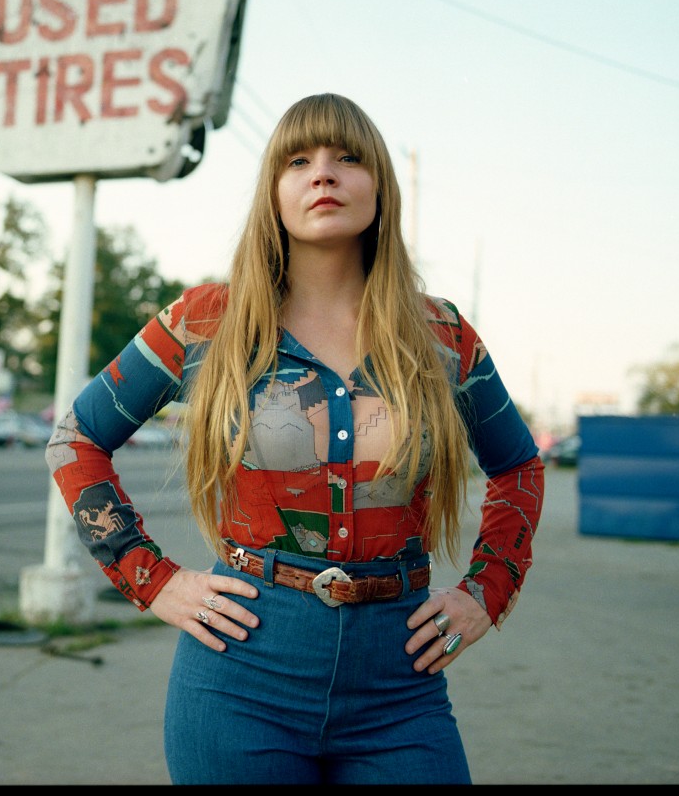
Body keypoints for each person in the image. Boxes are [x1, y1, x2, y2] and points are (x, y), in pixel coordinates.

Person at [46, 92, 544, 785]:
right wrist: (149, 579)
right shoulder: (204, 322)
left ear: (380, 187)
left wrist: (490, 590)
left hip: (400, 684)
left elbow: (519, 464)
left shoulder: (444, 337)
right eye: (299, 160)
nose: (324, 174)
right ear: (273, 191)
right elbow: (75, 439)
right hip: (241, 675)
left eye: (349, 158)